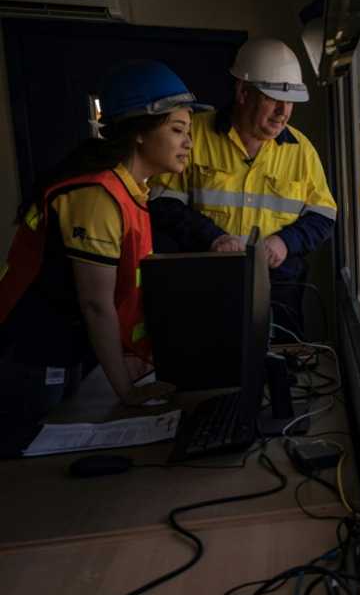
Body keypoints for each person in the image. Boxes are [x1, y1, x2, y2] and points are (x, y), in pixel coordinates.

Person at [0, 61, 208, 425]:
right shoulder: (98, 195)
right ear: (140, 132)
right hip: (32, 355)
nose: (188, 143)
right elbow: (96, 305)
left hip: (67, 350)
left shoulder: (130, 191)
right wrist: (127, 392)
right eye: (178, 130)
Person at [149, 38, 336, 337]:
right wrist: (213, 239)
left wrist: (285, 242)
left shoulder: (301, 150)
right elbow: (162, 203)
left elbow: (324, 215)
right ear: (243, 92)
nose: (283, 112)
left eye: (289, 102)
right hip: (207, 283)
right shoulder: (193, 135)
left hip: (280, 291)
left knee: (279, 368)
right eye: (272, 98)